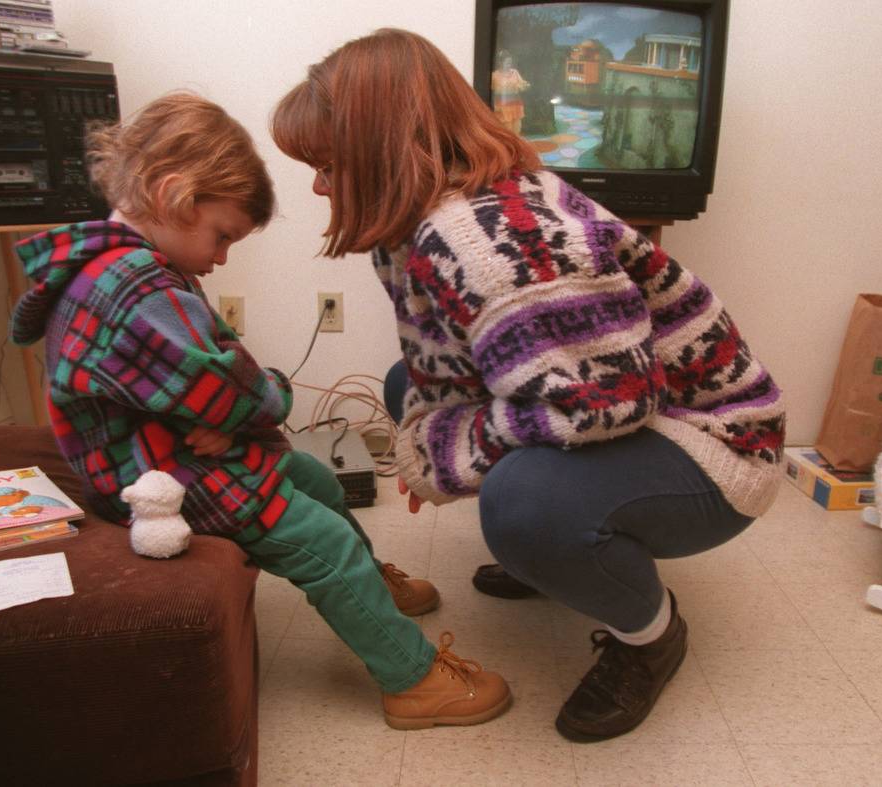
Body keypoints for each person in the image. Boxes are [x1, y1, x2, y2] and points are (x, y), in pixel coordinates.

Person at [271, 29, 785, 742]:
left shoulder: (486, 240)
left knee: (522, 505)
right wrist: (437, 436)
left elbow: (610, 399)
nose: (321, 185)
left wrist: (444, 456)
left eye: (328, 165)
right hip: (630, 408)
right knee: (403, 389)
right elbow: (436, 372)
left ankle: (648, 633)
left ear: (381, 151)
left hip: (718, 447)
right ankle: (560, 549)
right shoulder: (422, 221)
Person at [9, 91, 512, 730]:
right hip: (157, 479)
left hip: (170, 445)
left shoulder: (120, 264)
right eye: (222, 236)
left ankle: (371, 589)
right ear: (172, 194)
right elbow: (240, 392)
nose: (221, 259)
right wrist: (268, 394)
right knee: (324, 541)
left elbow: (212, 385)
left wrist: (229, 411)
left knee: (318, 481)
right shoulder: (136, 292)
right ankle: (411, 681)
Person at [490, 50, 530, 135]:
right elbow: (494, 91)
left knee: (516, 131)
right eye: (507, 62)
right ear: (500, 62)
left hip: (516, 105)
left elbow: (522, 84)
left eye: (510, 62)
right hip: (502, 107)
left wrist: (525, 85)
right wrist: (509, 88)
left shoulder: (515, 72)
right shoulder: (494, 75)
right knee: (506, 131)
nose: (509, 65)